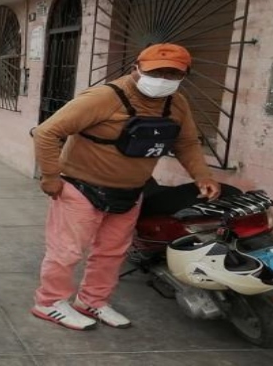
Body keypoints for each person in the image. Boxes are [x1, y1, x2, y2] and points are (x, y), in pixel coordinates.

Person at [31, 43, 221, 331]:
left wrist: (202, 175)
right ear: (137, 68)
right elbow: (47, 132)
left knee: (111, 253)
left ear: (184, 76)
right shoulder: (104, 97)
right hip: (81, 188)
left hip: (131, 191)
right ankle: (49, 302)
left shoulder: (176, 103)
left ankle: (92, 300)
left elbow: (186, 143)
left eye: (173, 74)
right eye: (157, 72)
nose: (164, 79)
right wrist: (50, 177)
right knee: (66, 252)